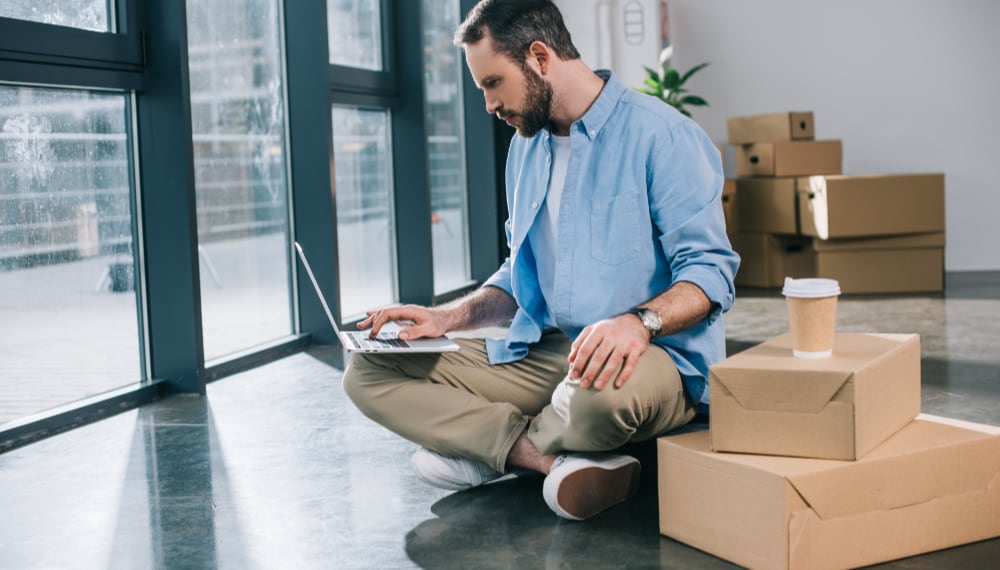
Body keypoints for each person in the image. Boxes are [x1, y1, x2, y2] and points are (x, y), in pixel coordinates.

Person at [342, 0, 738, 521]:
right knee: (368, 371)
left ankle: (482, 445)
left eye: (493, 83)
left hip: (653, 356)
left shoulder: (664, 136)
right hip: (554, 352)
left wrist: (637, 323)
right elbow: (520, 273)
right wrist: (447, 318)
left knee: (597, 404)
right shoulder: (526, 149)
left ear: (539, 57)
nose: (489, 104)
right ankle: (542, 459)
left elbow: (710, 272)